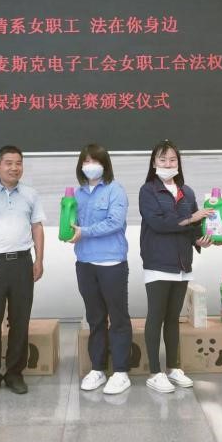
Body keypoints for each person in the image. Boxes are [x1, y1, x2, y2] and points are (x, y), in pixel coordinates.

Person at [138, 139, 214, 393]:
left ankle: (173, 367)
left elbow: (193, 229)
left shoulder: (187, 192)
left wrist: (200, 240)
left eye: (172, 160)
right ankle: (154, 372)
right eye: (163, 159)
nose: (168, 164)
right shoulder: (148, 191)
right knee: (156, 317)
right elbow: (158, 223)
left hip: (182, 264)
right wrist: (191, 218)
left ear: (178, 163)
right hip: (158, 263)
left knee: (173, 318)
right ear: (154, 163)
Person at [0, 145, 45, 397]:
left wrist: (39, 259)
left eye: (18, 163)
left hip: (22, 263)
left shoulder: (31, 195)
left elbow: (37, 228)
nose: (14, 168)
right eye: (9, 163)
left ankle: (14, 373)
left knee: (20, 321)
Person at [68, 143, 132, 395]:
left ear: (105, 165)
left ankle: (121, 371)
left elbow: (115, 222)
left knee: (118, 317)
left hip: (111, 263)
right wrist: (68, 227)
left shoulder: (116, 190)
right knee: (94, 318)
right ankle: (97, 368)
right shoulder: (77, 194)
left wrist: (84, 232)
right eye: (86, 161)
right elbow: (73, 224)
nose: (90, 166)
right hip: (85, 263)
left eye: (95, 161)